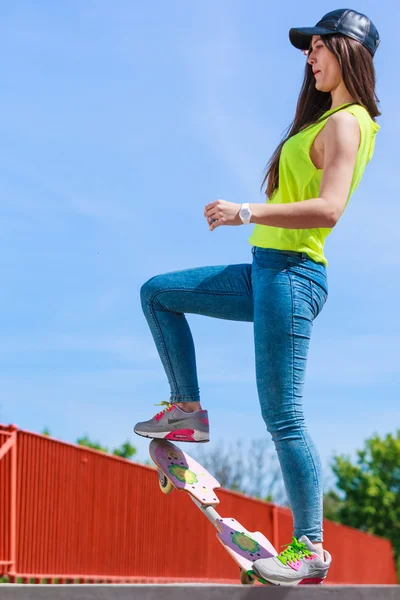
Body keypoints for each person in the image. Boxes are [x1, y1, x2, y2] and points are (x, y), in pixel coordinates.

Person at [135, 8, 381, 586]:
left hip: (293, 276)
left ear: (347, 51)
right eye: (308, 49)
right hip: (264, 269)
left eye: (317, 47)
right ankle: (187, 410)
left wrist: (246, 209)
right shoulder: (323, 118)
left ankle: (311, 547)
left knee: (283, 416)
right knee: (158, 294)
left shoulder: (349, 122)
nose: (309, 57)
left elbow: (330, 209)